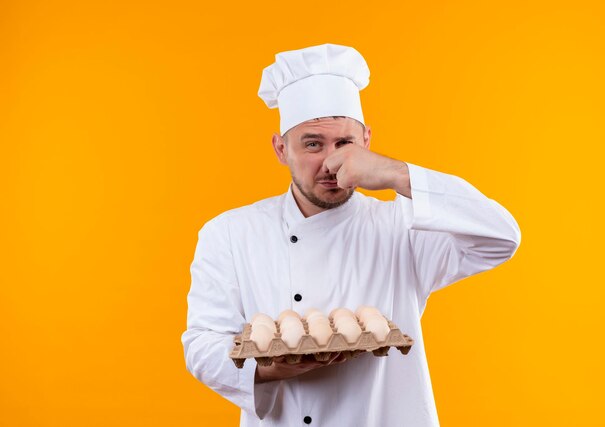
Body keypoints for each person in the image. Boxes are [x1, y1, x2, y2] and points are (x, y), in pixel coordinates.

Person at [182, 43, 521, 427]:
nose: (331, 162)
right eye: (312, 144)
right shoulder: (229, 233)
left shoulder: (402, 227)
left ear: (367, 143)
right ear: (280, 149)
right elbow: (202, 344)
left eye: (345, 143)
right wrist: (269, 370)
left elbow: (502, 236)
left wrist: (397, 174)